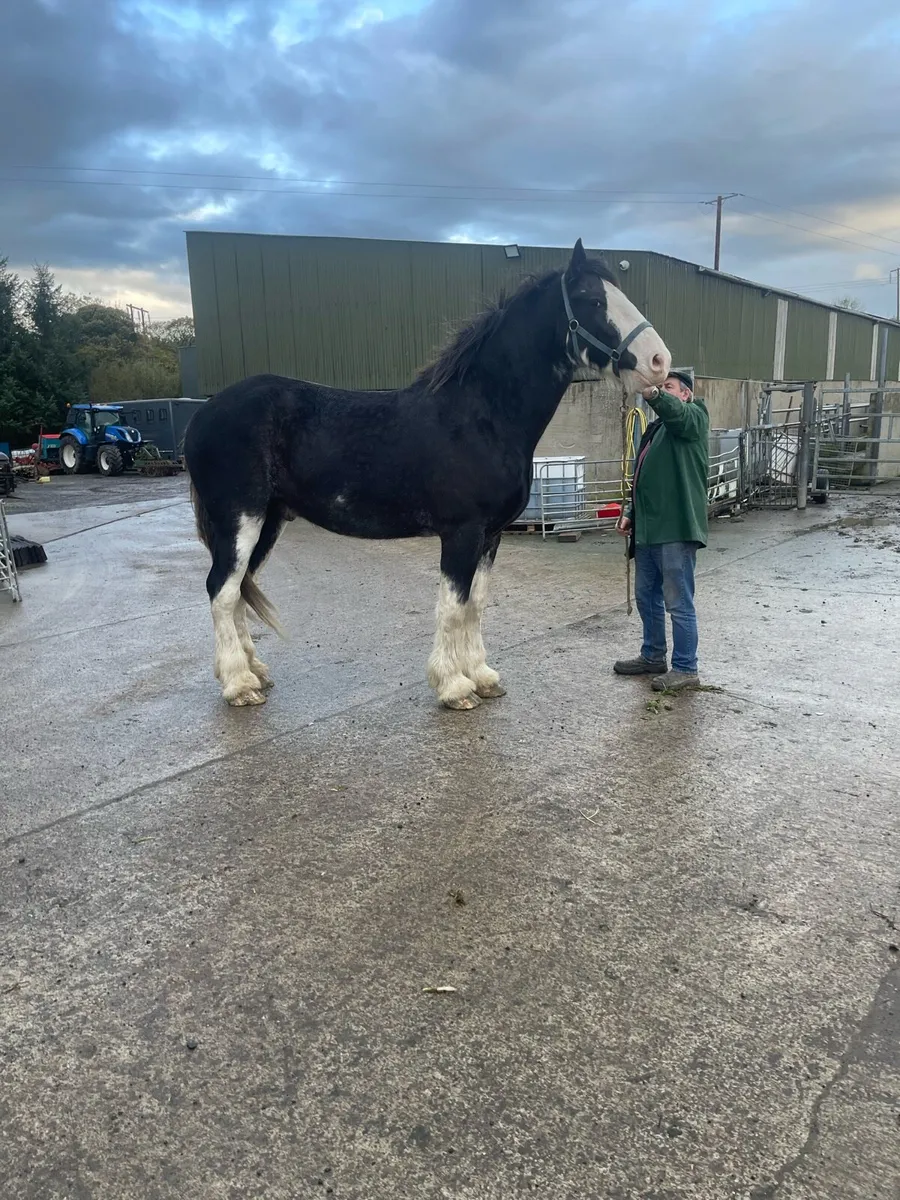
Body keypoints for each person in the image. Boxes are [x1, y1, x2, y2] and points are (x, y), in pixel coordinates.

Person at [613, 367, 709, 692]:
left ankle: (686, 667)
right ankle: (653, 655)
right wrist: (629, 512)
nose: (661, 389)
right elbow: (642, 478)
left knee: (678, 601)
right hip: (648, 530)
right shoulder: (654, 431)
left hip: (676, 528)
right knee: (646, 598)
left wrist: (653, 392)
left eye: (669, 386)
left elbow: (676, 415)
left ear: (686, 394)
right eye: (660, 386)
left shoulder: (694, 417)